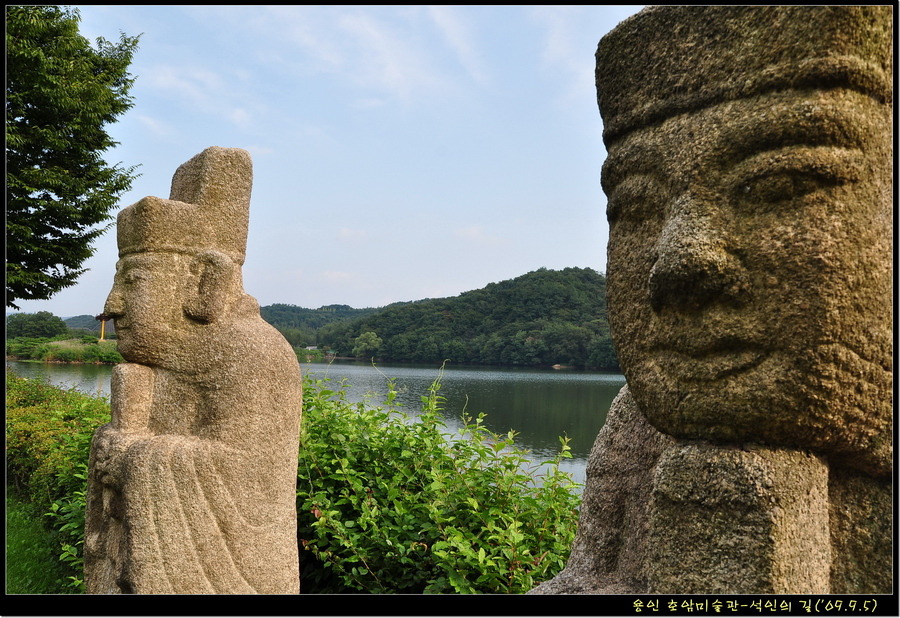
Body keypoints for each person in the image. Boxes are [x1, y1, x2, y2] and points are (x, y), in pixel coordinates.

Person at [84, 147, 303, 594]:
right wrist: (113, 445)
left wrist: (134, 458)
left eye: (135, 281)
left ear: (204, 282)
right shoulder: (163, 362)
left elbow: (251, 478)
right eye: (117, 281)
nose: (112, 305)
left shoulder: (253, 352)